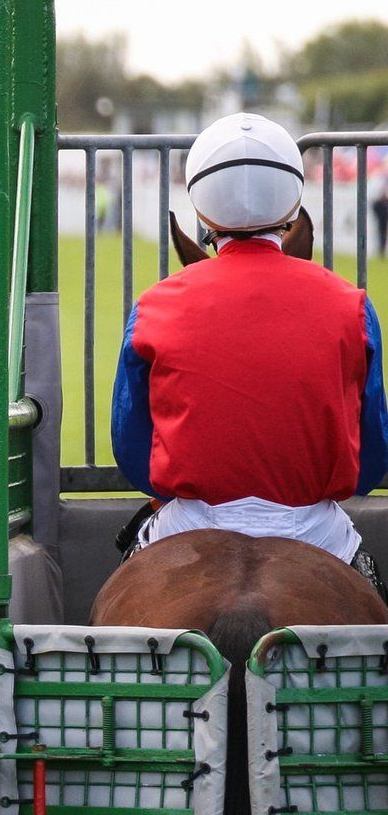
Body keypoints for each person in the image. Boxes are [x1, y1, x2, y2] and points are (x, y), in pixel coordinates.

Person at [114, 112, 388, 584]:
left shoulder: (154, 304)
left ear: (202, 209)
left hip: (191, 521)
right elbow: (373, 452)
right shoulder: (353, 305)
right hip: (314, 527)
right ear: (293, 203)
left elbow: (132, 446)